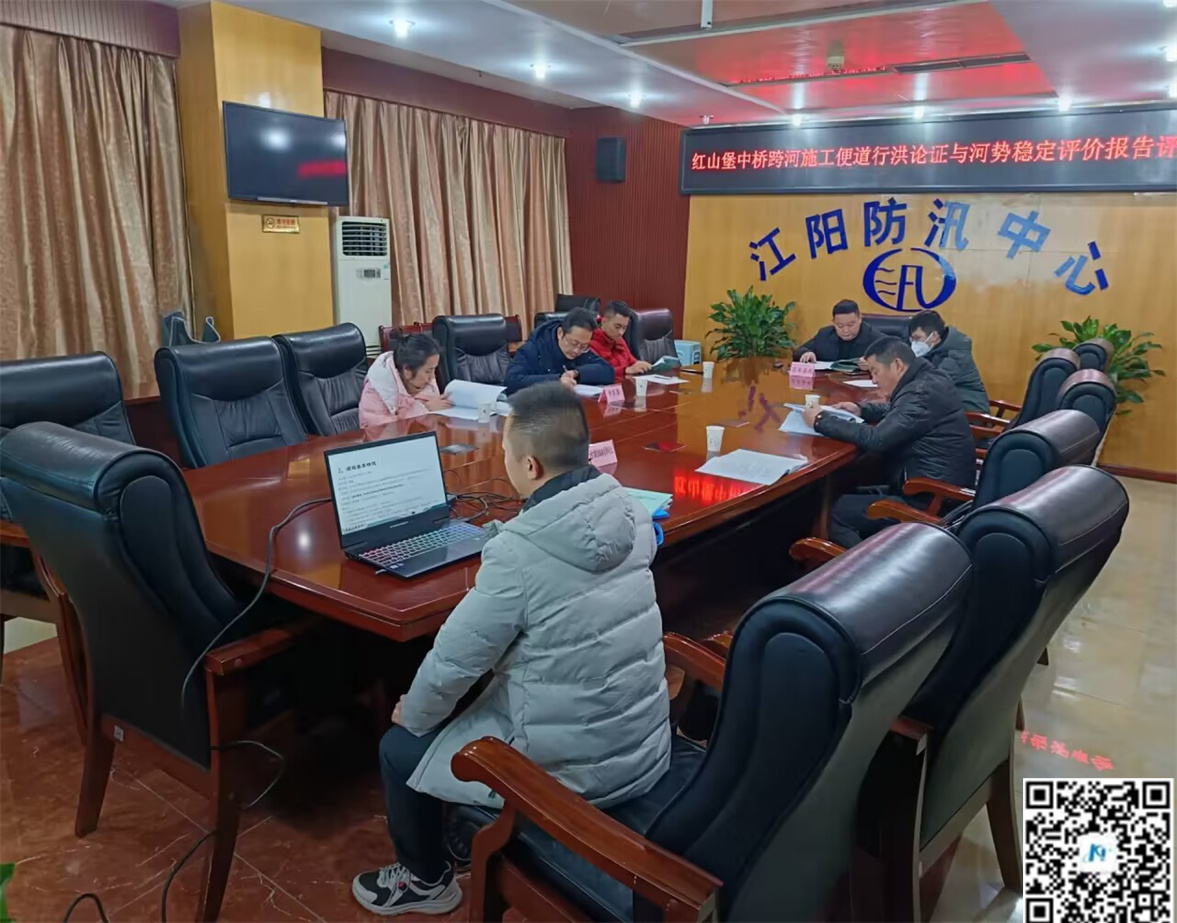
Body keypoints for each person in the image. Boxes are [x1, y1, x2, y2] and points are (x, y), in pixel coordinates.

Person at [352, 382, 672, 916]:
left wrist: (416, 713)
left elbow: (453, 662)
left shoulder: (518, 555)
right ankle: (459, 833)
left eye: (504, 451)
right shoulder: (630, 513)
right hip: (644, 745)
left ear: (529, 466)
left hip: (572, 778)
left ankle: (427, 881)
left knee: (400, 745)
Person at [801, 336, 975, 547]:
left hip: (930, 499)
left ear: (897, 365)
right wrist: (861, 409)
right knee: (844, 490)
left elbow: (877, 439)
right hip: (930, 484)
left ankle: (868, 565)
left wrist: (820, 420)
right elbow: (901, 411)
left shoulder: (920, 392)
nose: (874, 380)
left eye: (875, 371)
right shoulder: (927, 379)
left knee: (835, 513)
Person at [504, 307, 615, 394]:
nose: (576, 351)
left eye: (583, 346)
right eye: (573, 343)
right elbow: (512, 382)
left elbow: (608, 371)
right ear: (560, 333)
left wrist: (576, 373)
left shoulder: (581, 350)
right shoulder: (533, 348)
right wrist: (557, 381)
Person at [359, 334, 452, 427]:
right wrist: (424, 410)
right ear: (407, 370)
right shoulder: (376, 390)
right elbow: (382, 431)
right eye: (428, 371)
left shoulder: (423, 379)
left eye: (434, 369)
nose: (432, 377)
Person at [908, 310, 990, 413]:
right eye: (912, 339)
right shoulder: (934, 351)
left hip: (970, 415)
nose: (914, 343)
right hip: (949, 408)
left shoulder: (954, 357)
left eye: (918, 338)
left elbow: (929, 387)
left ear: (934, 336)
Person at [796, 299, 882, 363]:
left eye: (850, 325)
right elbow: (799, 351)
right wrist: (806, 353)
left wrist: (872, 363)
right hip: (830, 380)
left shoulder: (873, 336)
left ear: (860, 319)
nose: (845, 330)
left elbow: (890, 356)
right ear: (833, 322)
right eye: (840, 326)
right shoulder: (825, 334)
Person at [590, 301, 652, 377]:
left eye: (624, 328)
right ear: (604, 321)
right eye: (617, 327)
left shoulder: (618, 339)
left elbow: (631, 361)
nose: (621, 332)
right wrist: (625, 370)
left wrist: (639, 365)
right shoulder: (589, 342)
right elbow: (595, 374)